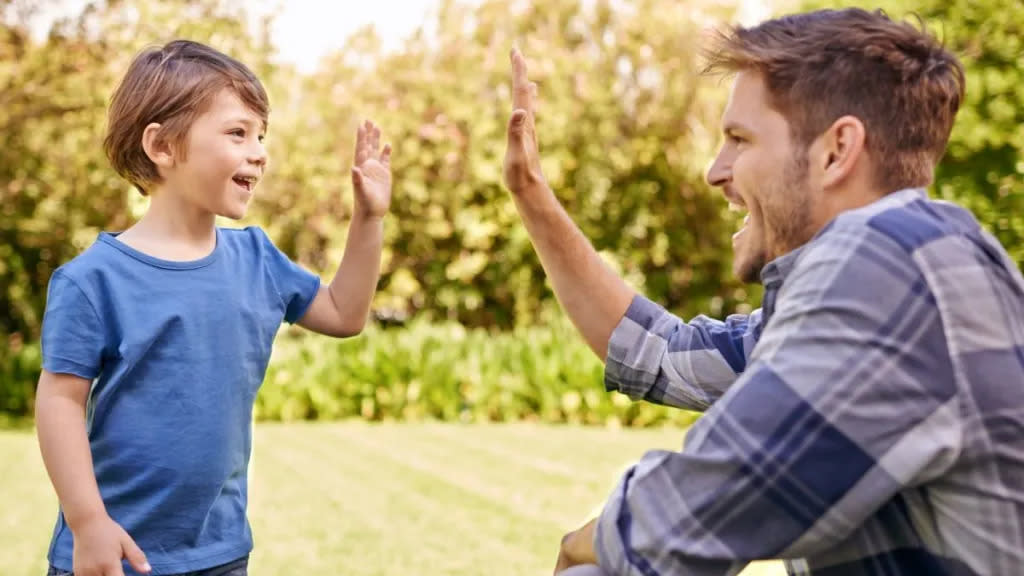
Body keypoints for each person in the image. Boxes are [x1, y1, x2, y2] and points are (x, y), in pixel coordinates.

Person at [502, 8, 1024, 576]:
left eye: (738, 139)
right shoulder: (888, 279)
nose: (715, 171)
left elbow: (703, 509)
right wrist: (530, 192)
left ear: (836, 151)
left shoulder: (892, 263)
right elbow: (654, 352)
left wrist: (588, 541)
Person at [34, 40, 392, 576]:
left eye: (261, 135)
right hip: (114, 554)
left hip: (219, 552)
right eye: (237, 132)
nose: (259, 151)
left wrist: (368, 218)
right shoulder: (94, 280)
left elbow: (344, 314)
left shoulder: (257, 261)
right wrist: (88, 524)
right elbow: (59, 403)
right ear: (162, 145)